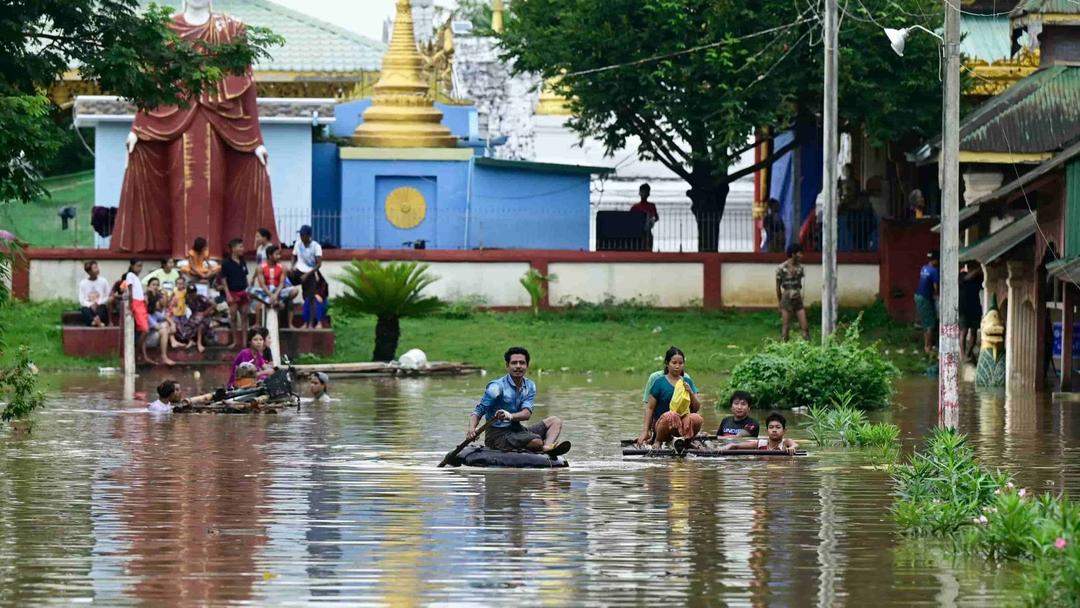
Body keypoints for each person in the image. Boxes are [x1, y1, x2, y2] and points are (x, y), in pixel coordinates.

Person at [111, 0, 277, 259]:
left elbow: (247, 88)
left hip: (218, 124)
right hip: (177, 123)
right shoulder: (165, 29)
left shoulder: (231, 29)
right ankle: (181, 257)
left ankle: (212, 257)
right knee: (180, 189)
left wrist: (256, 141)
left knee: (214, 189)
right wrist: (137, 128)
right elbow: (153, 85)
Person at [465, 347, 570, 456]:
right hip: (497, 435)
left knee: (555, 421)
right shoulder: (496, 387)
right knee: (536, 441)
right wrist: (472, 429)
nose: (518, 366)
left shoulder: (530, 386)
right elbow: (478, 411)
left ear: (527, 366)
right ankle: (541, 445)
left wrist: (509, 416)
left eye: (522, 363)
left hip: (518, 430)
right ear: (507, 366)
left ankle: (547, 447)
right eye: (514, 363)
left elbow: (527, 414)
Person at [637, 346, 704, 450]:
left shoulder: (687, 381)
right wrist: (645, 431)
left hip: (682, 425)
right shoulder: (659, 382)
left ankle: (687, 441)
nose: (677, 366)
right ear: (667, 364)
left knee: (697, 418)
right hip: (663, 426)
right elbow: (650, 408)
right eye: (674, 363)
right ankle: (658, 441)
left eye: (680, 363)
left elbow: (696, 408)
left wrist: (690, 392)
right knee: (671, 416)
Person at [253, 244, 299, 327]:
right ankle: (257, 324)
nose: (279, 256)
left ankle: (278, 302)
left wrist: (275, 295)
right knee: (250, 292)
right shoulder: (260, 267)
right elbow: (262, 284)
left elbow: (282, 283)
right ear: (270, 256)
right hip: (266, 291)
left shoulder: (282, 267)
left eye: (279, 254)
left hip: (278, 291)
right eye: (276, 254)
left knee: (295, 290)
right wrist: (271, 295)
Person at [290, 225, 323, 328]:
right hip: (299, 270)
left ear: (308, 236)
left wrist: (307, 275)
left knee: (310, 298)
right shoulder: (298, 244)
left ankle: (311, 323)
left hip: (310, 273)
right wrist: (292, 266)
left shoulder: (316, 246)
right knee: (285, 273)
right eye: (300, 234)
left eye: (303, 235)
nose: (301, 236)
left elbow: (318, 264)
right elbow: (294, 256)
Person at [776, 243, 809, 341]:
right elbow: (778, 287)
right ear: (793, 254)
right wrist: (780, 303)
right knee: (786, 327)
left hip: (797, 298)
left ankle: (806, 349)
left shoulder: (801, 269)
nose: (801, 256)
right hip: (786, 299)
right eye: (799, 253)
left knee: (805, 326)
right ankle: (783, 348)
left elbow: (800, 285)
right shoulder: (781, 268)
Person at [220, 238, 250, 347]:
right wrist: (227, 294)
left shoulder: (243, 261)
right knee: (233, 317)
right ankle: (235, 341)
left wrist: (248, 290)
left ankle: (244, 342)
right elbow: (223, 280)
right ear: (233, 249)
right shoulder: (226, 263)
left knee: (244, 317)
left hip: (243, 291)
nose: (243, 249)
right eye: (240, 247)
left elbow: (245, 276)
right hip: (232, 292)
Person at [720, 413, 798, 454]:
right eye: (771, 427)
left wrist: (792, 448)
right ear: (766, 431)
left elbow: (795, 445)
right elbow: (737, 446)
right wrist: (730, 445)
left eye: (778, 427)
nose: (774, 430)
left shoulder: (786, 443)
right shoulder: (760, 444)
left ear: (784, 431)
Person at [122, 260, 151, 358]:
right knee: (145, 330)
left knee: (144, 330)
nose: (140, 269)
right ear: (132, 266)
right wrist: (130, 306)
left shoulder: (136, 277)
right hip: (136, 303)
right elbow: (130, 291)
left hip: (141, 303)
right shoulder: (129, 275)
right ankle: (136, 352)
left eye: (141, 266)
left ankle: (139, 352)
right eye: (138, 266)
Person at [915, 250, 940, 354]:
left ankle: (927, 345)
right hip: (925, 298)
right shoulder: (934, 271)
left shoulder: (924, 268)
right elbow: (935, 287)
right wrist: (938, 295)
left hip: (918, 296)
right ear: (935, 260)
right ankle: (928, 347)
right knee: (930, 324)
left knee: (925, 322)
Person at [142, 292, 176, 366]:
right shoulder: (146, 314)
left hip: (152, 337)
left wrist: (172, 325)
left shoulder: (153, 313)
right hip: (146, 341)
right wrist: (167, 328)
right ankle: (164, 357)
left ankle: (173, 342)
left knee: (166, 324)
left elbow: (166, 318)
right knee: (164, 328)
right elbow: (157, 327)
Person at [959, 264, 983, 362]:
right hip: (963, 308)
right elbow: (967, 278)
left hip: (975, 308)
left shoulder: (978, 277)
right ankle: (963, 354)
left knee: (973, 332)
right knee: (963, 332)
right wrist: (979, 268)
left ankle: (968, 353)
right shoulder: (961, 276)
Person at [78, 261, 111, 327]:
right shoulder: (83, 283)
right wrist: (90, 305)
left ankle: (95, 321)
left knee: (103, 307)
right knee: (84, 309)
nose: (98, 269)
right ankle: (95, 322)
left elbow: (108, 295)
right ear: (89, 272)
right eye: (95, 268)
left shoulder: (103, 281)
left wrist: (98, 303)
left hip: (100, 305)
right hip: (89, 308)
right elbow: (81, 300)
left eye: (97, 267)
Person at [629, 183, 659, 251]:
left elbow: (656, 217)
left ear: (648, 194)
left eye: (646, 192)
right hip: (637, 232)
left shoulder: (652, 206)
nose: (644, 194)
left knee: (648, 250)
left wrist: (652, 220)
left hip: (647, 232)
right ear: (639, 193)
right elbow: (630, 218)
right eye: (643, 192)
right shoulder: (635, 207)